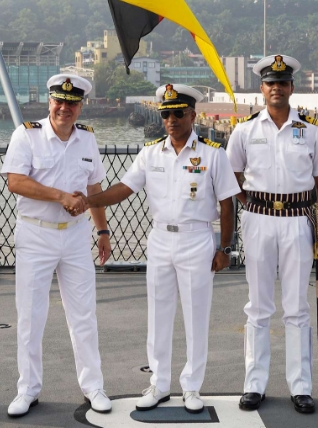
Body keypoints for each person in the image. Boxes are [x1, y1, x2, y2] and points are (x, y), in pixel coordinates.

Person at [86, 83, 240, 414]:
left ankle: (192, 387)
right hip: (159, 239)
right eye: (166, 114)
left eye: (178, 114)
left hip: (197, 239)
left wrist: (224, 247)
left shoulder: (213, 153)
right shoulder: (150, 153)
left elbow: (228, 205)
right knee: (158, 314)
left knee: (196, 315)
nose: (171, 120)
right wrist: (88, 200)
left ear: (192, 115)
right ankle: (159, 383)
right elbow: (123, 189)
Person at [225, 54, 318, 414]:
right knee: (258, 307)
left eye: (283, 82)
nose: (277, 88)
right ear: (262, 88)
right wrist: (248, 205)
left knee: (297, 307)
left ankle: (300, 386)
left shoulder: (311, 130)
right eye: (271, 83)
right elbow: (231, 178)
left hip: (298, 219)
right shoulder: (244, 130)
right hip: (258, 218)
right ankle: (253, 384)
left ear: (292, 88)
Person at [1, 74, 112, 417]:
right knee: (31, 316)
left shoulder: (87, 140)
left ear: (81, 106)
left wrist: (103, 230)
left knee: (83, 314)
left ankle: (93, 386)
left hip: (77, 235)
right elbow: (15, 181)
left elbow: (94, 189)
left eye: (72, 103)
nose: (64, 108)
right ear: (49, 102)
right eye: (59, 101)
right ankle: (28, 389)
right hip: (36, 235)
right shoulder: (27, 135)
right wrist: (60, 196)